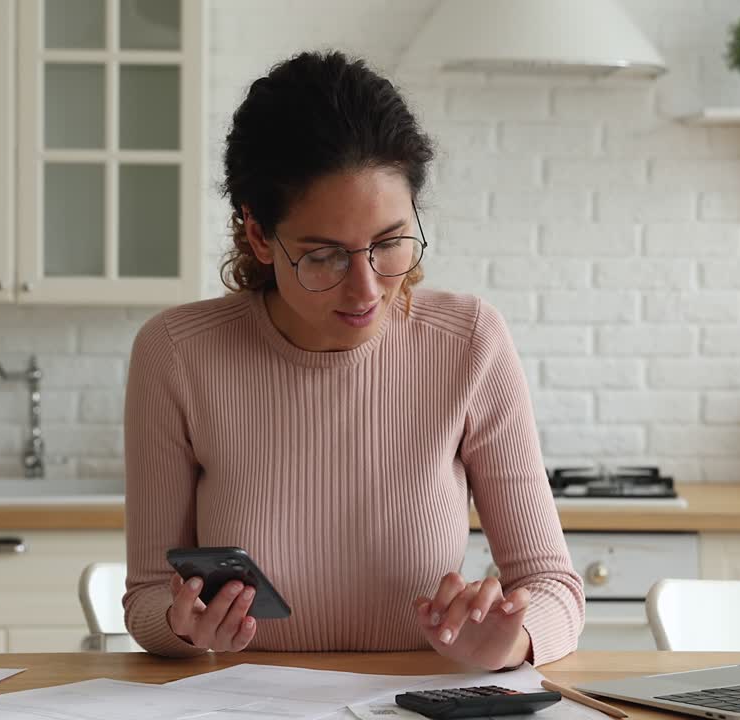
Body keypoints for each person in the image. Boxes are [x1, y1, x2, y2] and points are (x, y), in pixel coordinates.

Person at [123, 50, 585, 670]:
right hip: (245, 707)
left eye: (389, 243)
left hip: (417, 706)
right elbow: (148, 597)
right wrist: (183, 625)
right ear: (259, 235)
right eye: (324, 256)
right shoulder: (177, 353)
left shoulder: (469, 341)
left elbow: (554, 587)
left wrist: (515, 640)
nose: (367, 289)